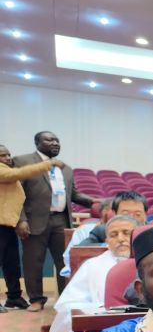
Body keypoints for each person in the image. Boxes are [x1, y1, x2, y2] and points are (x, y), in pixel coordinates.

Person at [13, 131, 98, 311]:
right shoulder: (23, 161)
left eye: (57, 140)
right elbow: (16, 193)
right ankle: (36, 300)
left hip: (61, 220)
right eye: (49, 140)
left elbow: (73, 194)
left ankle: (65, 299)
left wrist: (94, 202)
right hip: (33, 220)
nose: (55, 143)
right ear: (37, 143)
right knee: (33, 261)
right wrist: (21, 220)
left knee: (64, 261)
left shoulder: (65, 168)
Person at [49, 215, 136, 332]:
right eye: (114, 235)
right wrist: (106, 310)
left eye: (126, 233)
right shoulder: (92, 265)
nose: (120, 238)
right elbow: (67, 306)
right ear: (107, 241)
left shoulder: (152, 262)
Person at [0, 142, 61, 310]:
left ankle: (14, 297)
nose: (8, 158)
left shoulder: (8, 172)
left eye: (8, 154)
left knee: (11, 263)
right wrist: (47, 164)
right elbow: (20, 173)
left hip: (7, 223)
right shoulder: (6, 172)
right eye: (2, 156)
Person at [76, 191, 148, 246]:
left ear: (145, 214)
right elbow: (81, 249)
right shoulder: (103, 231)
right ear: (114, 214)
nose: (132, 219)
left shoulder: (152, 232)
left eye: (137, 214)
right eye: (126, 215)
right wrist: (111, 245)